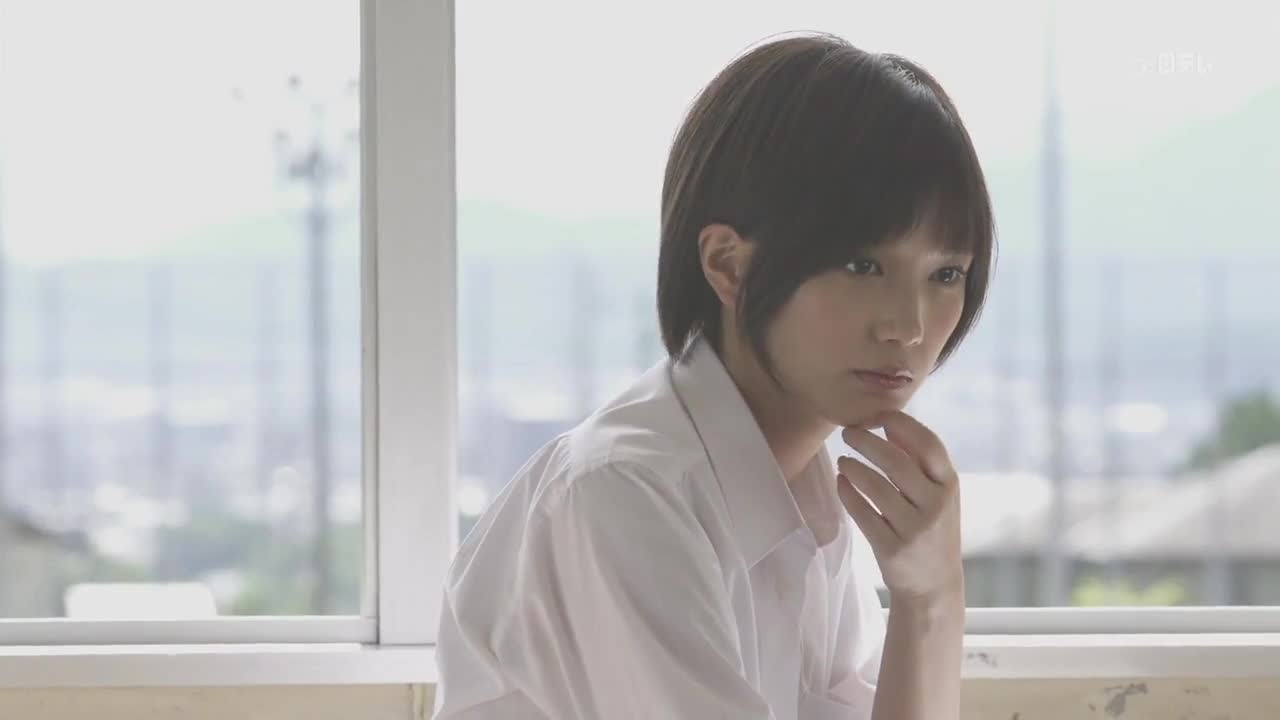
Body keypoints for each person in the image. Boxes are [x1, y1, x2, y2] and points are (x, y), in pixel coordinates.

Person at [434, 31, 995, 720]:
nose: (908, 326)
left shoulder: (811, 498)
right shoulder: (628, 492)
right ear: (729, 266)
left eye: (946, 274)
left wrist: (931, 596)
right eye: (862, 265)